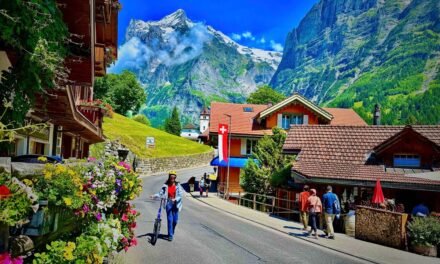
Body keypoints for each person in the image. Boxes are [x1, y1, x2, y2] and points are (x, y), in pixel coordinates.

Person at [150, 171, 183, 241]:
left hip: (176, 204)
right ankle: (170, 235)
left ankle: (172, 231)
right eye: (171, 177)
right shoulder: (166, 185)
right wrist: (154, 195)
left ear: (175, 178)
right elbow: (160, 193)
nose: (172, 178)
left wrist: (176, 199)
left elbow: (180, 195)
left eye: (174, 177)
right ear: (169, 177)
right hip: (168, 203)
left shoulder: (178, 185)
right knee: (170, 220)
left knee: (175, 221)